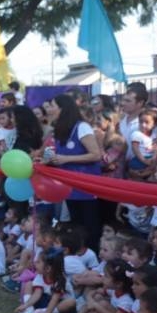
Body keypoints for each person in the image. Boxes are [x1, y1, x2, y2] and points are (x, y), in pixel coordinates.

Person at [47, 94, 103, 251]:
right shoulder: (60, 129)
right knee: (76, 223)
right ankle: (78, 255)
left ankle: (93, 256)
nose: (49, 109)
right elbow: (58, 156)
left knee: (89, 224)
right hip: (70, 187)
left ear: (63, 109)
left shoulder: (82, 127)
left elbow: (95, 154)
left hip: (86, 186)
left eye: (52, 106)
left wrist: (66, 158)